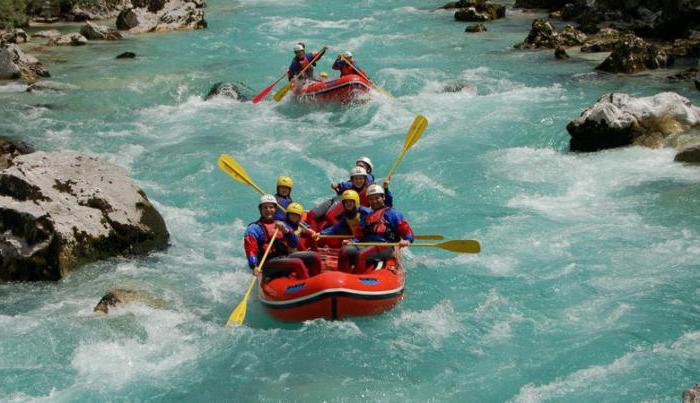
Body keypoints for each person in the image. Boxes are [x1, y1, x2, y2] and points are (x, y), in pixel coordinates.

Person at [338, 184, 414, 274]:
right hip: (367, 245)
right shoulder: (367, 217)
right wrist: (352, 241)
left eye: (377, 198)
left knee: (362, 254)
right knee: (345, 251)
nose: (374, 201)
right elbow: (359, 236)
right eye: (371, 199)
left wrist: (407, 240)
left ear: (383, 197)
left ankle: (357, 277)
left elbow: (407, 231)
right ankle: (343, 274)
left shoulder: (393, 214)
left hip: (386, 247)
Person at [243, 194, 305, 278]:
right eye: (265, 207)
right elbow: (250, 249)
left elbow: (294, 244)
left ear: (275, 209)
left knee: (313, 257)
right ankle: (306, 284)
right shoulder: (253, 228)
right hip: (268, 264)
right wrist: (253, 266)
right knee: (297, 262)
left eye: (271, 207)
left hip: (284, 257)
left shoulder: (282, 224)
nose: (268, 210)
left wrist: (286, 232)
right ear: (260, 209)